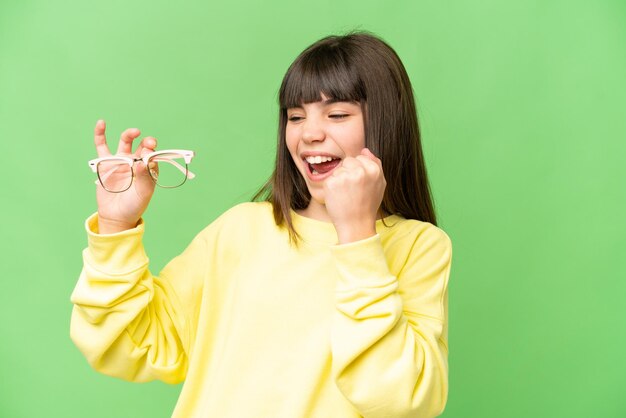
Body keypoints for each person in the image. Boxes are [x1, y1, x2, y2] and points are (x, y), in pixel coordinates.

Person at [70, 32, 453, 418]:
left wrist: (356, 237)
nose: (308, 133)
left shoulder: (419, 246)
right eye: (295, 116)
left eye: (337, 114)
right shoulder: (240, 230)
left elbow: (403, 400)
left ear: (386, 124)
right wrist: (115, 224)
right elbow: (126, 345)